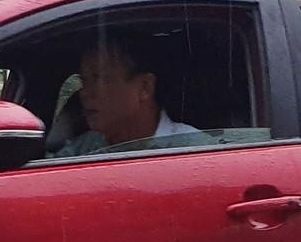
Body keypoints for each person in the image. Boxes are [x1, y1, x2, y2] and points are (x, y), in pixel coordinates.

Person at [53, 32, 208, 157]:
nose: (84, 92)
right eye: (84, 81)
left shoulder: (194, 151)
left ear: (145, 87)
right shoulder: (85, 149)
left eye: (99, 79)